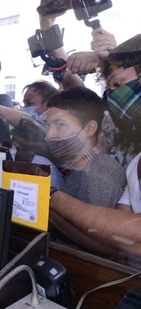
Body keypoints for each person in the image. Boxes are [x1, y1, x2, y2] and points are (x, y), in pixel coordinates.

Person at [45, 87, 126, 256]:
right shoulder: (78, 167)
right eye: (48, 125)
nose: (49, 135)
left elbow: (104, 246)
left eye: (60, 125)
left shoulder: (100, 174)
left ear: (89, 129)